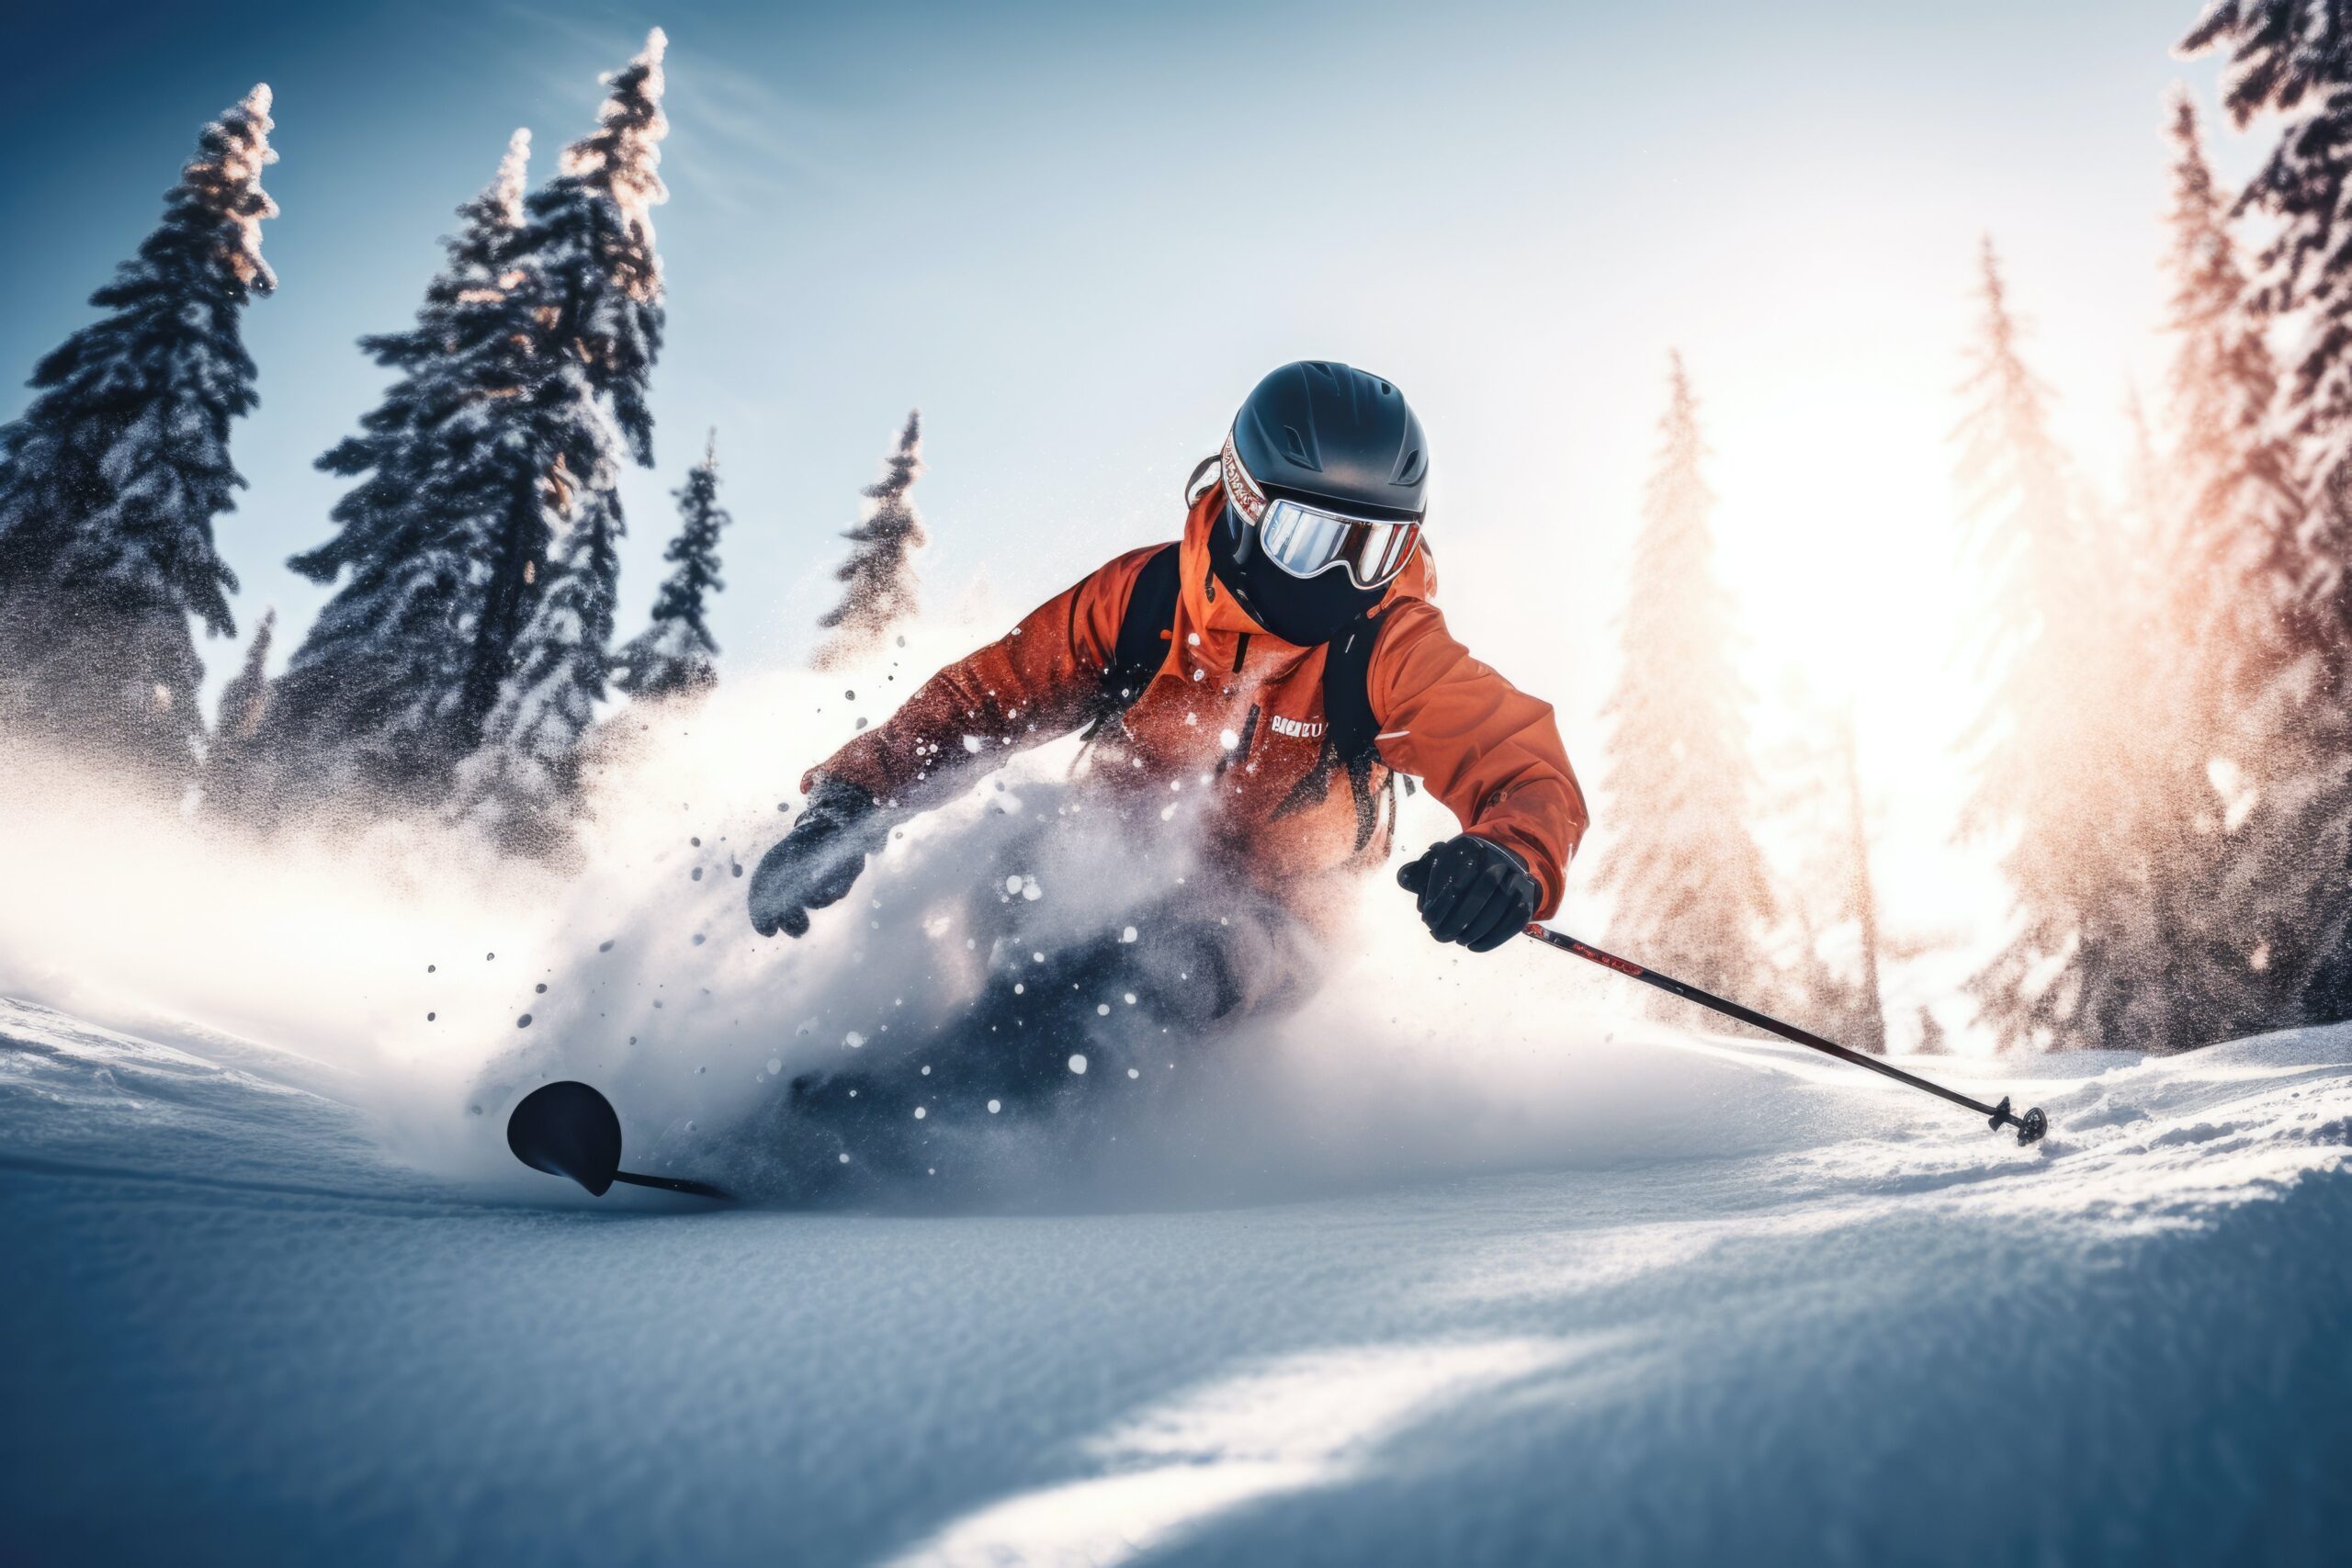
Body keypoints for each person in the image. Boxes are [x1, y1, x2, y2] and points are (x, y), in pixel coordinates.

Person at [749, 361, 1588, 1101]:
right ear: (1245, 506)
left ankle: (946, 1123)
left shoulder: (1385, 646)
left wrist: (1510, 857)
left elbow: (1519, 766)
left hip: (1277, 914)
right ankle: (900, 1067)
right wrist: (851, 801)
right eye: (1310, 539)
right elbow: (983, 702)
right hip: (1105, 853)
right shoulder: (1146, 604)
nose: (1338, 577)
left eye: (1373, 551)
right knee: (1007, 880)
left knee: (1139, 976)